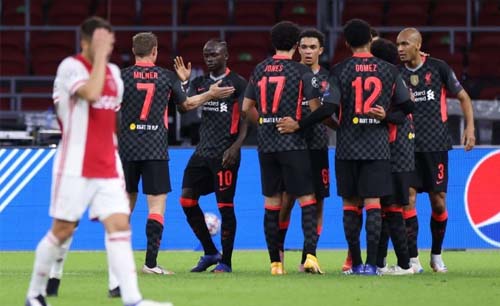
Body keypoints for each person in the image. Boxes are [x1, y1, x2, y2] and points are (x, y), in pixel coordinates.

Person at [25, 17, 172, 306]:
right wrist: (102, 59)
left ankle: (132, 299)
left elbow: (111, 115)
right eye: (102, 42)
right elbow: (92, 95)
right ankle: (35, 293)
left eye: (111, 43)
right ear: (85, 43)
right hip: (74, 165)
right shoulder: (71, 67)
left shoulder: (115, 73)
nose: (108, 47)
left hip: (108, 163)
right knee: (62, 231)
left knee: (119, 225)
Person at [277, 19, 413, 275]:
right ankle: (372, 265)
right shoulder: (389, 70)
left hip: (348, 147)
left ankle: (356, 263)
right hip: (378, 148)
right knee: (373, 204)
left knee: (350, 206)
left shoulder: (339, 71)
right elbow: (408, 109)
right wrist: (385, 117)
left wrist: (300, 124)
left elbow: (327, 109)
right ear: (370, 41)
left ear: (347, 43)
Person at [119, 32, 236, 277]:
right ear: (155, 51)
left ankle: (117, 261)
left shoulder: (122, 76)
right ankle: (150, 264)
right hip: (154, 150)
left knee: (124, 206)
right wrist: (210, 94)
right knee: (156, 205)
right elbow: (187, 106)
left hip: (127, 148)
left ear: (133, 50)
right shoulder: (165, 76)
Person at [242, 21, 332, 275]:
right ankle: (310, 257)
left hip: (267, 145)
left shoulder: (259, 69)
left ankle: (276, 264)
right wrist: (298, 124)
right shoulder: (301, 71)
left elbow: (246, 108)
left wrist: (264, 122)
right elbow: (317, 110)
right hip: (293, 144)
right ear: (295, 45)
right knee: (307, 199)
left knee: (272, 203)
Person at [396, 27, 475, 273]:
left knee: (438, 203)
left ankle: (436, 255)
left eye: (405, 44)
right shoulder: (395, 73)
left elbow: (464, 97)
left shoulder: (438, 68)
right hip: (405, 146)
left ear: (418, 45)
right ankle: (412, 259)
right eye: (397, 44)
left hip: (435, 145)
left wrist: (470, 128)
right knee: (407, 200)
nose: (400, 48)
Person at [172, 39, 248, 273]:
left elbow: (246, 117)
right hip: (202, 152)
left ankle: (226, 261)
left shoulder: (238, 83)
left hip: (225, 153)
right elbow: (182, 105)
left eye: (214, 54)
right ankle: (210, 251)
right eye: (206, 55)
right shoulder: (200, 83)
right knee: (186, 200)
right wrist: (184, 82)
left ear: (226, 55)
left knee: (225, 206)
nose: (209, 58)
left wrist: (236, 147)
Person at [277, 28, 331, 272]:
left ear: (321, 50)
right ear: (297, 48)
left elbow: (330, 113)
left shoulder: (328, 79)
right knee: (287, 200)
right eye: (304, 47)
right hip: (291, 146)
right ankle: (277, 256)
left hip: (318, 145)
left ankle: (309, 256)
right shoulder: (288, 74)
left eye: (313, 47)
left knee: (317, 202)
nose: (308, 51)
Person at [370, 38, 415, 275]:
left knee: (394, 208)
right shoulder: (385, 79)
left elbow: (404, 114)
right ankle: (379, 263)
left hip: (397, 151)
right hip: (386, 152)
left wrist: (384, 116)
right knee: (385, 208)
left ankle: (406, 264)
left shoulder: (394, 80)